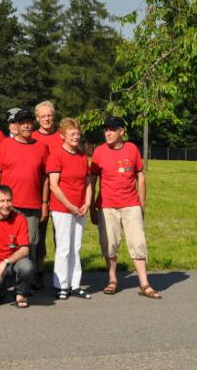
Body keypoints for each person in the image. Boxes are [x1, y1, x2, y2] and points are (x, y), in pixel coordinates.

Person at [90, 116, 161, 299]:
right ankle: (112, 280)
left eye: (112, 129)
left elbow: (140, 177)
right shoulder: (99, 152)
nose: (108, 133)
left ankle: (144, 283)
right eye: (106, 129)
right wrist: (91, 207)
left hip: (131, 205)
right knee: (110, 244)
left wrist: (141, 204)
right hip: (107, 206)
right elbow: (93, 180)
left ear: (122, 132)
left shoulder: (132, 149)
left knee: (138, 243)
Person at [0, 108, 49, 289]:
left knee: (30, 244)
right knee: (4, 243)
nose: (25, 125)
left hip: (32, 205)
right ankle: (1, 280)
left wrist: (44, 203)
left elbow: (44, 178)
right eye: (21, 122)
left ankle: (27, 281)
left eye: (28, 122)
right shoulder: (5, 145)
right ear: (15, 126)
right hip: (8, 205)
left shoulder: (41, 147)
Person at [47, 118, 92, 299]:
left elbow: (87, 182)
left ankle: (75, 284)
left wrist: (87, 203)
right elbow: (53, 185)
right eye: (71, 134)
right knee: (64, 247)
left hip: (80, 208)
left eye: (77, 134)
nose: (75, 137)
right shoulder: (57, 155)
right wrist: (69, 205)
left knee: (76, 247)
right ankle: (61, 285)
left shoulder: (82, 156)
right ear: (62, 136)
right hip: (62, 208)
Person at [30, 100, 60, 285]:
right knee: (38, 234)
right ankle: (39, 270)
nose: (47, 119)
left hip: (59, 192)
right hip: (38, 191)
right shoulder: (32, 137)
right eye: (43, 116)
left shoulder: (62, 136)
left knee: (61, 235)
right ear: (37, 118)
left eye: (49, 115)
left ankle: (60, 271)